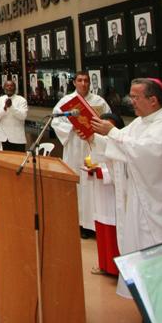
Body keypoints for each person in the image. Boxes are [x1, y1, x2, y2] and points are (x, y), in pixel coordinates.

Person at [87, 78, 162, 297]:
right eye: (131, 96)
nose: (131, 102)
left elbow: (147, 153)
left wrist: (111, 132)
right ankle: (149, 304)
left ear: (153, 100)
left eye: (135, 97)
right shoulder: (141, 123)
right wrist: (94, 137)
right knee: (143, 259)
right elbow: (122, 149)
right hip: (142, 203)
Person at [53, 71, 111, 237]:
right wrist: (72, 126)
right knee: (78, 183)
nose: (84, 83)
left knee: (93, 185)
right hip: (75, 146)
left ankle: (95, 222)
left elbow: (109, 120)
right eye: (80, 80)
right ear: (74, 83)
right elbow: (56, 121)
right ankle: (79, 222)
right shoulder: (66, 101)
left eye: (86, 80)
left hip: (93, 146)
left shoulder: (99, 101)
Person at [85, 111, 124, 277]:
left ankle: (116, 268)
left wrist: (102, 172)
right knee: (101, 227)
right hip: (100, 194)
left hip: (113, 194)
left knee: (113, 229)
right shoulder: (100, 142)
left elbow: (119, 169)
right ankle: (104, 265)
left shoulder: (120, 143)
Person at [0, 80, 29, 152]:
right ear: (4, 88)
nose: (9, 87)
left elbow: (23, 116)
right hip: (5, 137)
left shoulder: (21, 100)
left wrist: (11, 107)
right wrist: (5, 108)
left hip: (18, 137)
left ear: (15, 88)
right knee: (7, 161)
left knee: (19, 161)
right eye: (7, 86)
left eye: (11, 86)